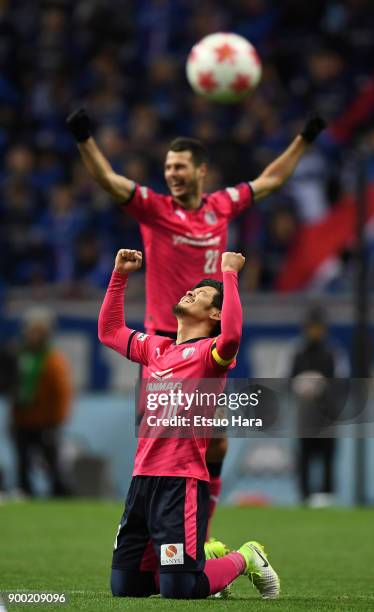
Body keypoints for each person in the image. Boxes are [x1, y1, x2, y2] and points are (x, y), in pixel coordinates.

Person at [67, 107, 326, 529]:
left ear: (201, 170)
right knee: (166, 443)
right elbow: (108, 180)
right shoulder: (154, 207)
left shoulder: (221, 206)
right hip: (164, 343)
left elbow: (272, 179)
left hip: (207, 342)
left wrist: (305, 138)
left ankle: (199, 530)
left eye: (181, 166)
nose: (172, 173)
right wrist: (84, 139)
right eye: (168, 167)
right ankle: (156, 536)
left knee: (216, 442)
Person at [98, 248, 280, 599]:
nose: (190, 291)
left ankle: (245, 557)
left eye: (201, 294)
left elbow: (231, 337)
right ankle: (197, 560)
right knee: (126, 587)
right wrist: (119, 275)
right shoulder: (155, 349)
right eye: (192, 289)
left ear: (215, 313)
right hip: (142, 481)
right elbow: (109, 331)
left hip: (180, 484)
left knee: (180, 589)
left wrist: (229, 273)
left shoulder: (210, 356)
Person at [7, 308, 72, 496]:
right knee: (22, 462)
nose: (33, 335)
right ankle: (24, 492)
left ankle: (59, 494)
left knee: (52, 463)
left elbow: (62, 392)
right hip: (22, 420)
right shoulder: (17, 355)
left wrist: (57, 420)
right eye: (30, 330)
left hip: (46, 422)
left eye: (38, 331)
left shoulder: (53, 359)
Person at [290, 305, 339, 506]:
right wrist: (301, 386)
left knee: (327, 455)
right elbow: (289, 381)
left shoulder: (330, 354)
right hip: (305, 415)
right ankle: (305, 496)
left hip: (326, 415)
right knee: (305, 456)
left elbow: (338, 383)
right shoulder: (299, 354)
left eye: (318, 327)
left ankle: (327, 496)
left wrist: (322, 388)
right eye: (312, 327)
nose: (315, 331)